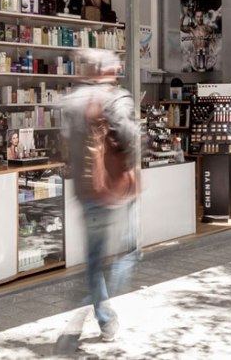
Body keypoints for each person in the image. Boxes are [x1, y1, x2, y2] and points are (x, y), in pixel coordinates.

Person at [61, 50, 139, 343]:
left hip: (85, 191)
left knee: (94, 259)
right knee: (130, 250)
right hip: (115, 190)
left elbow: (65, 143)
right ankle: (99, 299)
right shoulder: (116, 98)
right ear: (109, 70)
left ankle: (104, 315)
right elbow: (129, 137)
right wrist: (129, 167)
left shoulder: (71, 100)